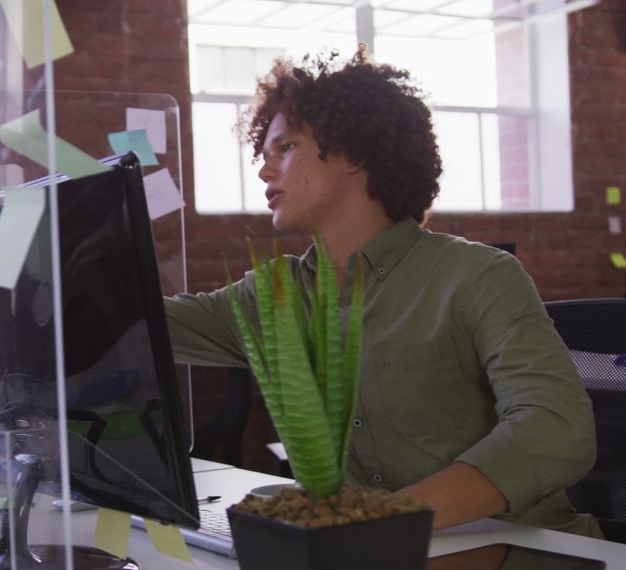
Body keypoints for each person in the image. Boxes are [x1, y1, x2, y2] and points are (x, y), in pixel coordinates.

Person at [164, 46, 600, 537]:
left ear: (355, 153)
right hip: (372, 553)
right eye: (263, 156)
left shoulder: (478, 276)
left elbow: (556, 429)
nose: (265, 171)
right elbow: (143, 322)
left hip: (518, 547)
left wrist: (386, 518)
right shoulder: (274, 296)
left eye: (285, 148)